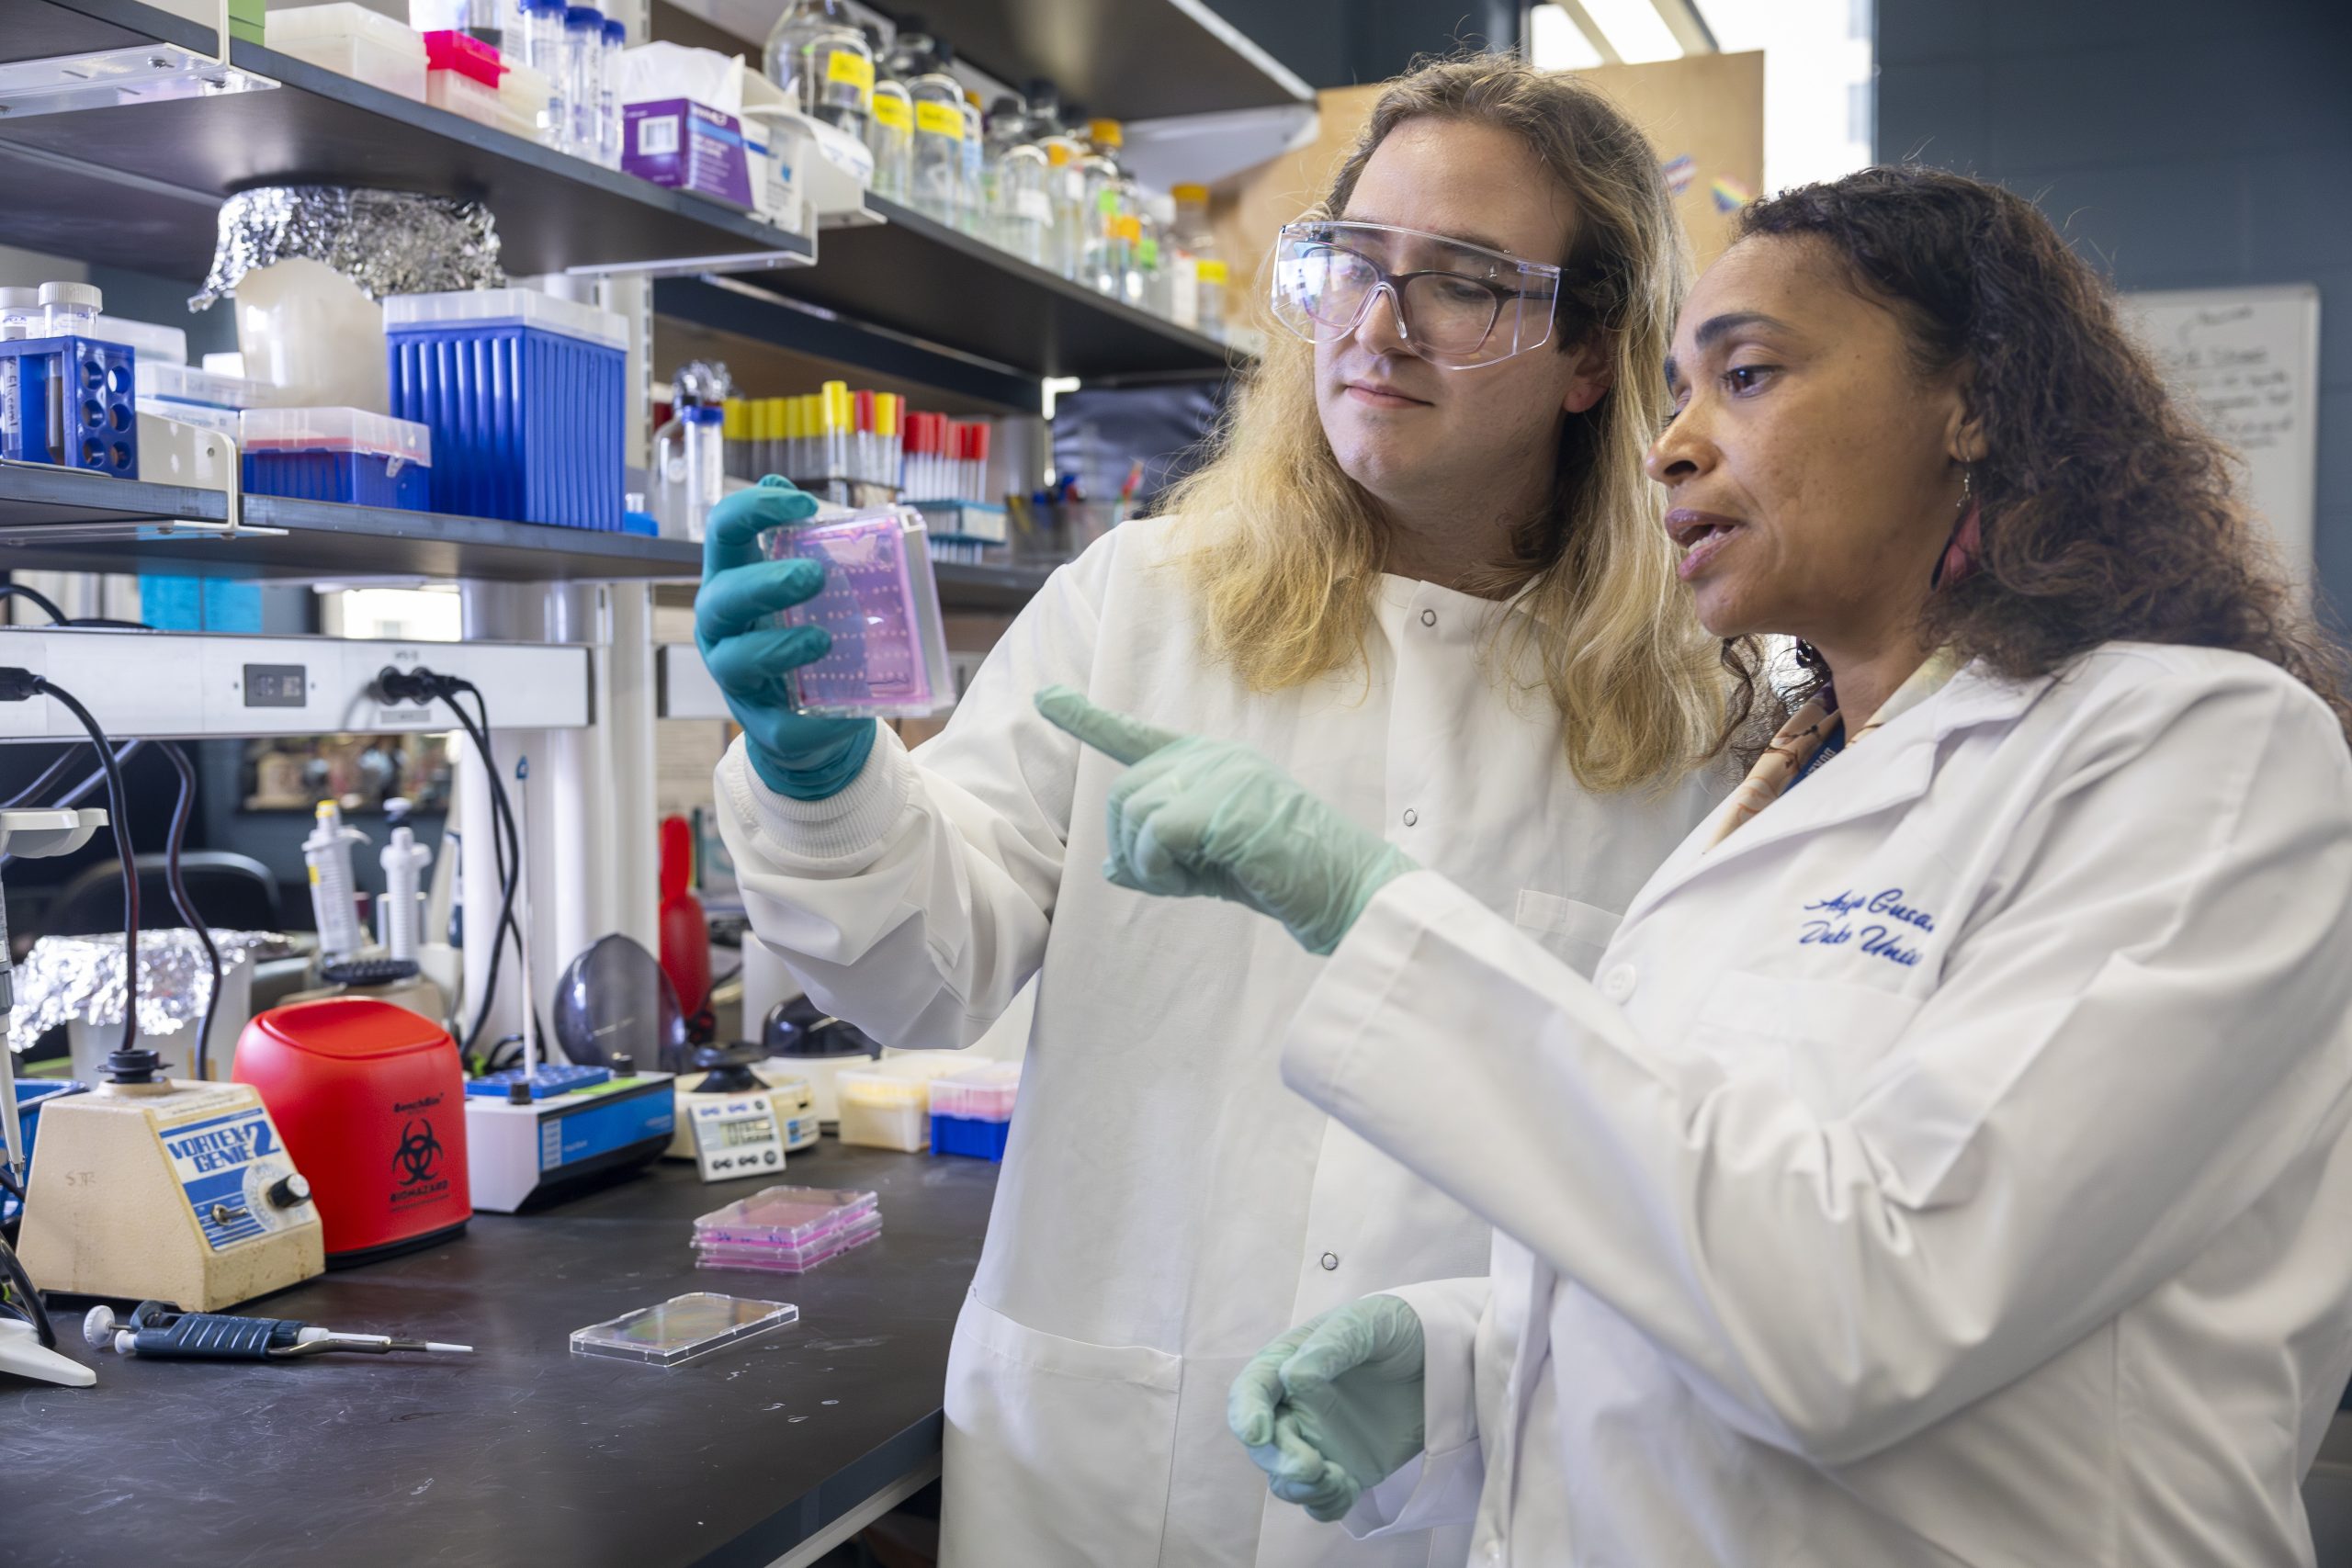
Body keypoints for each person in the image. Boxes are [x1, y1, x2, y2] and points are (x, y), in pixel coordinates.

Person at [1041, 164, 2352, 1565]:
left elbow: (1877, 1308)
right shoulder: (1776, 796)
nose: (1673, 443)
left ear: (1973, 397)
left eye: (1749, 375)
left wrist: (1379, 921)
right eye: (1676, 390)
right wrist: (1467, 1354)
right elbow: (1715, 1220)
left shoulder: (2198, 755)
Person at [695, 56, 1730, 1568]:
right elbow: (928, 968)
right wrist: (825, 776)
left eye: (1463, 286)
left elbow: (1678, 1169)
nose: (1377, 329)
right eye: (1352, 267)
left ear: (1590, 354)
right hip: (1102, 1468)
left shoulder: (1690, 716)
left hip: (1450, 1490)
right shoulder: (1144, 601)